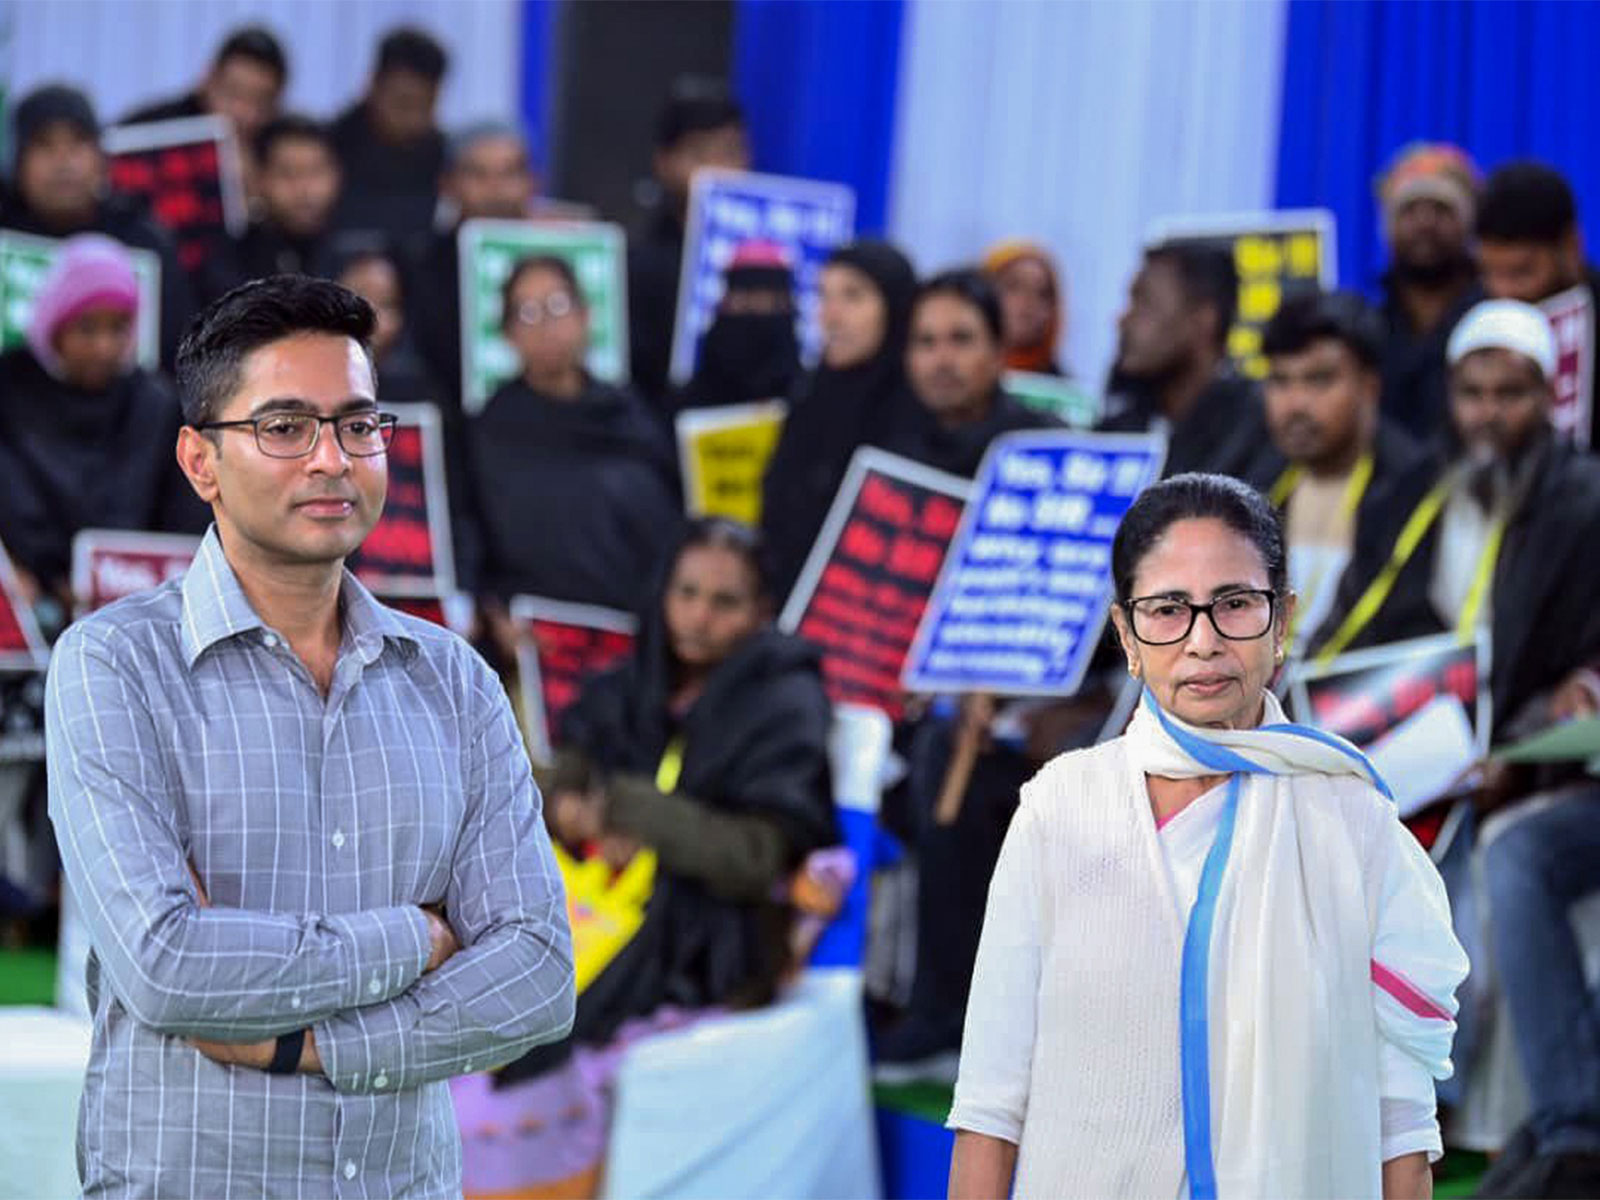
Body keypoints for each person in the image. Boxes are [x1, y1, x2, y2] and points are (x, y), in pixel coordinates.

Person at [44, 274, 575, 1197]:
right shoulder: (115, 666)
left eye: (358, 424)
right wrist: (416, 937)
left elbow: (537, 973)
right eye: (285, 427)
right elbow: (165, 966)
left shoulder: (454, 682)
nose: (333, 459)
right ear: (201, 462)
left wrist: (310, 1047)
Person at [948, 472, 1467, 1199]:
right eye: (1167, 610)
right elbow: (990, 1101)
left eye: (1235, 605)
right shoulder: (1059, 810)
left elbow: (1401, 1126)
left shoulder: (1353, 821)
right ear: (1126, 633)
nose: (1203, 641)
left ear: (1282, 620)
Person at [455, 517, 837, 1198]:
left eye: (724, 602)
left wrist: (634, 811)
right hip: (601, 914)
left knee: (514, 1076)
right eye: (685, 593)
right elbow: (560, 784)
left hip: (705, 940)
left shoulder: (785, 702)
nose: (698, 616)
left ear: (762, 610)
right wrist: (571, 810)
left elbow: (758, 857)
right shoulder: (630, 684)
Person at [1309, 299, 1600, 732]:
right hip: (1415, 730)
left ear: (1549, 395)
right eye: (1472, 394)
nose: (1488, 414)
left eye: (1510, 393)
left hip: (1535, 741)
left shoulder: (1585, 502)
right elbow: (1353, 620)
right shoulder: (1406, 494)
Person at [0, 234, 207, 634]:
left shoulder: (156, 405)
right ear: (54, 323)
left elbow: (181, 517)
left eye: (118, 329)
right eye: (87, 328)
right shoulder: (9, 391)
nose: (103, 347)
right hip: (29, 605)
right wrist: (38, 576)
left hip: (140, 613)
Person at [465, 254, 681, 618]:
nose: (545, 324)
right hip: (534, 631)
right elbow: (475, 543)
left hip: (633, 626)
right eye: (527, 313)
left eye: (558, 305)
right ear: (508, 334)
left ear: (585, 315)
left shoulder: (632, 417)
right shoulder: (489, 432)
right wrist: (495, 613)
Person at [1255, 291, 1423, 649]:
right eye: (1280, 381)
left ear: (1369, 387)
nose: (1295, 404)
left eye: (1319, 380)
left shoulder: (1415, 492)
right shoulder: (1255, 482)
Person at [761, 239, 917, 602]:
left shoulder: (915, 416)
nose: (829, 316)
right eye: (823, 296)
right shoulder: (809, 396)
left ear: (895, 309)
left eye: (852, 296)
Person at [2, 83, 195, 367]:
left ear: (101, 159)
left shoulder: (143, 240)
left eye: (78, 143)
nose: (63, 162)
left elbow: (176, 355)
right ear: (18, 163)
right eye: (44, 145)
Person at [1098, 242, 1271, 481]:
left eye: (1145, 303)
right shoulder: (1117, 432)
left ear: (1204, 319)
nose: (1123, 319)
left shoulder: (1258, 430)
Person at [627, 77, 751, 407]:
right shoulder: (638, 263)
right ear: (663, 163)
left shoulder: (771, 258)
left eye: (730, 152)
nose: (719, 170)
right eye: (700, 154)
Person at [871, 268, 1060, 478]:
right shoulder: (885, 447)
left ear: (999, 351)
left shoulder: (1045, 450)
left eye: (961, 339)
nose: (942, 361)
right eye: (926, 342)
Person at [406, 120, 539, 408]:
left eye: (510, 173)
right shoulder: (419, 267)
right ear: (447, 185)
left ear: (532, 183)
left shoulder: (557, 258)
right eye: (478, 174)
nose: (496, 190)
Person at [1476, 161, 1600, 449]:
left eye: (1521, 272)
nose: (1503, 291)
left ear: (1570, 247)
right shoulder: (1472, 320)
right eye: (1490, 272)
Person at [1373, 143, 1484, 446]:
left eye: (1441, 209)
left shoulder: (1496, 319)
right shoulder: (1369, 326)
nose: (1425, 223)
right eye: (1409, 210)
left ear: (1469, 224)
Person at [328, 26, 450, 244]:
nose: (414, 119)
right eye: (403, 104)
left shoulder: (443, 155)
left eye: (426, 106)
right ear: (373, 85)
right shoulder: (329, 149)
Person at [202, 115, 342, 302]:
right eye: (288, 174)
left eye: (316, 171)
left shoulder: (356, 249)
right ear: (259, 179)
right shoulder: (234, 261)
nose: (305, 190)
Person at [677, 239, 802, 416]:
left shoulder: (808, 404)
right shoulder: (685, 410)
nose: (757, 316)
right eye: (744, 305)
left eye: (774, 305)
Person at [122, 25, 288, 155]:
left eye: (260, 102)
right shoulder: (149, 130)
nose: (243, 113)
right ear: (207, 81)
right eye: (233, 94)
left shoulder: (276, 147)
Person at [334, 242, 439, 405]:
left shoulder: (421, 404)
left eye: (386, 304)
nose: (369, 317)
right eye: (358, 298)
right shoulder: (299, 386)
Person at [982, 239, 1065, 375]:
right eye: (1013, 286)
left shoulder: (1061, 386)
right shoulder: (955, 374)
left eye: (1042, 293)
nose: (1028, 302)